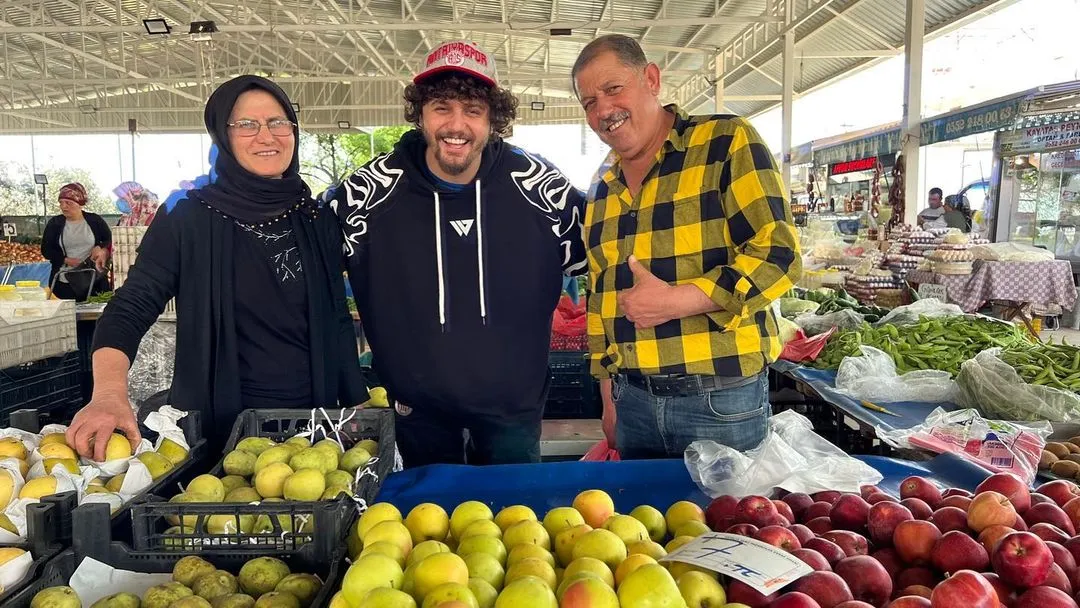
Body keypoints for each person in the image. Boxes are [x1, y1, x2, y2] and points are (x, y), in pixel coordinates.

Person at [66, 75, 366, 459]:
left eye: (278, 122)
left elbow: (337, 317)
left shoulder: (314, 216)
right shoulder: (187, 216)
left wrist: (356, 405)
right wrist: (108, 394)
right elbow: (131, 305)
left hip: (312, 430)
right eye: (246, 125)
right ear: (222, 135)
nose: (266, 136)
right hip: (221, 431)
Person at [328, 40, 587, 467]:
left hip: (513, 411)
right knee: (424, 528)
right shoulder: (367, 192)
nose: (457, 125)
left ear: (492, 119)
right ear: (421, 114)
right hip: (417, 411)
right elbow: (307, 261)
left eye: (472, 110)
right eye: (442, 107)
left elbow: (600, 253)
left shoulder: (540, 186)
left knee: (519, 526)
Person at [572, 35, 802, 459]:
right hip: (632, 403)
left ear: (652, 80)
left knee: (730, 523)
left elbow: (779, 254)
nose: (603, 110)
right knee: (642, 525)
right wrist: (608, 398)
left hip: (719, 401)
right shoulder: (604, 184)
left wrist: (677, 300)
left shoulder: (725, 142)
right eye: (589, 103)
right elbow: (601, 297)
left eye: (612, 89)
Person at [41, 183, 112, 301]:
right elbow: (46, 250)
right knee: (69, 317)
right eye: (61, 203)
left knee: (94, 316)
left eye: (68, 203)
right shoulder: (55, 223)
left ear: (80, 204)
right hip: (64, 281)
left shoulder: (95, 220)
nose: (64, 206)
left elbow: (110, 240)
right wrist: (65, 260)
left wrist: (100, 247)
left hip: (93, 279)